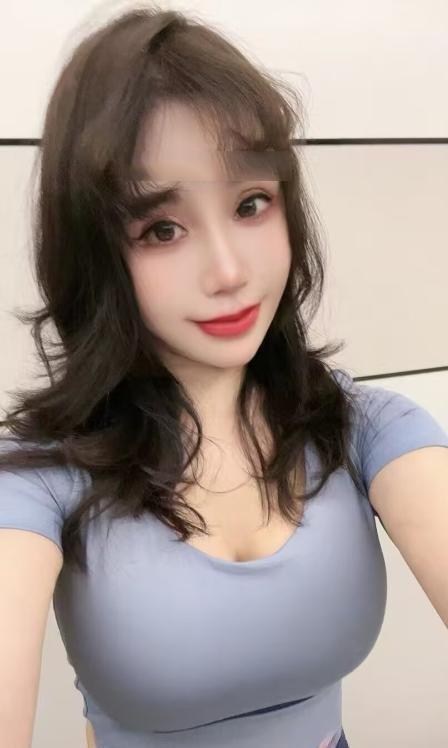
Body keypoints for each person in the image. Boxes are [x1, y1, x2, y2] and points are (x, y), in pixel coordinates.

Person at [0, 5, 447, 748]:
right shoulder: (39, 476)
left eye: (250, 204)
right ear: (95, 254)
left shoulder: (367, 429)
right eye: (161, 229)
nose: (230, 271)